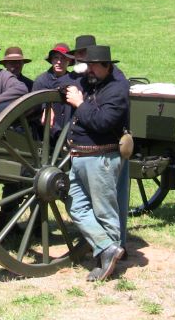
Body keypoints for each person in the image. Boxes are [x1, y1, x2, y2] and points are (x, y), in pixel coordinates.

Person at [65, 45, 129, 281]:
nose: (88, 70)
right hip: (79, 156)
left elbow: (102, 121)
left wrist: (80, 104)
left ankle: (110, 264)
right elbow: (65, 86)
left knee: (105, 212)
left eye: (93, 66)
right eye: (87, 65)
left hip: (101, 158)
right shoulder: (90, 84)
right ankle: (107, 248)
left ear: (107, 66)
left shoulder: (117, 90)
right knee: (76, 207)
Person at [32, 43, 77, 135]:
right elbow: (34, 107)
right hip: (45, 132)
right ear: (52, 60)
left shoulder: (74, 80)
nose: (59, 62)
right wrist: (46, 107)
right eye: (56, 58)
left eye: (63, 58)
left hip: (69, 131)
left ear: (69, 61)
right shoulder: (41, 81)